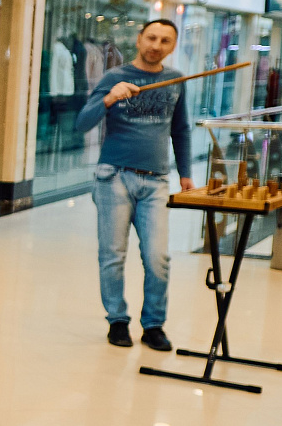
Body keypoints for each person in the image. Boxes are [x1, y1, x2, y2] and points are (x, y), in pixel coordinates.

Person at [74, 19, 195, 351]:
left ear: (173, 46)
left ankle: (153, 325)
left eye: (165, 40)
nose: (156, 45)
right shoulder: (114, 77)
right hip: (113, 176)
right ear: (139, 39)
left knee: (158, 257)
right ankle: (117, 320)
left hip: (156, 181)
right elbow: (82, 122)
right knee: (112, 255)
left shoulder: (176, 80)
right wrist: (109, 99)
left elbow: (181, 130)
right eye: (151, 38)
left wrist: (185, 173)